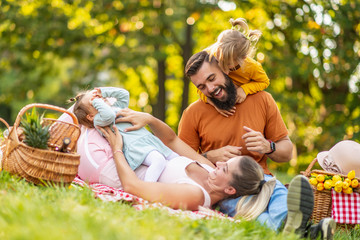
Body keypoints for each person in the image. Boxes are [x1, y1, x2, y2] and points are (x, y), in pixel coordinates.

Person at [179, 50, 292, 230]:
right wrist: (210, 156)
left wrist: (268, 146)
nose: (210, 89)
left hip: (262, 181)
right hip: (224, 190)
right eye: (201, 86)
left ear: (225, 69)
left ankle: (290, 223)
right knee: (247, 210)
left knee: (280, 196)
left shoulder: (262, 99)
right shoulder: (193, 113)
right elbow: (180, 161)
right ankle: (287, 226)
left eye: (211, 78)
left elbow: (287, 152)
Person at [69, 87, 177, 182]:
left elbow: (124, 95)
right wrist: (97, 101)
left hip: (148, 140)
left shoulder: (116, 108)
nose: (98, 99)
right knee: (159, 160)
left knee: (176, 157)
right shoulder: (99, 120)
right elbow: (109, 115)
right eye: (92, 101)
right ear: (90, 116)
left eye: (97, 97)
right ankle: (149, 189)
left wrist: (103, 92)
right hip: (136, 147)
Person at [198, 18, 270, 117]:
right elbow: (200, 87)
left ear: (243, 58)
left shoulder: (252, 67)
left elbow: (264, 82)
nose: (224, 71)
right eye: (219, 61)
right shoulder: (210, 59)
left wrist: (245, 89)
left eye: (228, 65)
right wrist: (213, 103)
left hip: (244, 109)